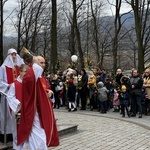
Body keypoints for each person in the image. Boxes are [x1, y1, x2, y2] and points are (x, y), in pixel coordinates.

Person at [16, 54, 59, 149]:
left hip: (42, 111)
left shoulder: (40, 77)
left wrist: (50, 93)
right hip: (34, 112)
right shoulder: (29, 77)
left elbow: (47, 88)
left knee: (37, 136)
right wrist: (34, 61)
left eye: (44, 63)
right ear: (34, 64)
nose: (43, 65)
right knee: (39, 136)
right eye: (41, 63)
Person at [0, 48, 24, 142]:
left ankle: (16, 134)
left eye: (15, 55)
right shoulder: (3, 68)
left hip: (17, 94)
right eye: (12, 55)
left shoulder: (19, 67)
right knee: (6, 115)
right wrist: (7, 85)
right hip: (6, 94)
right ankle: (5, 134)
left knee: (17, 114)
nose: (14, 57)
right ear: (9, 56)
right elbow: (0, 81)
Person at [6, 64, 29, 149]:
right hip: (18, 111)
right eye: (25, 72)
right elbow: (10, 96)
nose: (26, 74)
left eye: (28, 72)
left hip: (28, 111)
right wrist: (17, 103)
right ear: (20, 72)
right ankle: (17, 147)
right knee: (18, 131)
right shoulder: (15, 84)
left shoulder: (30, 84)